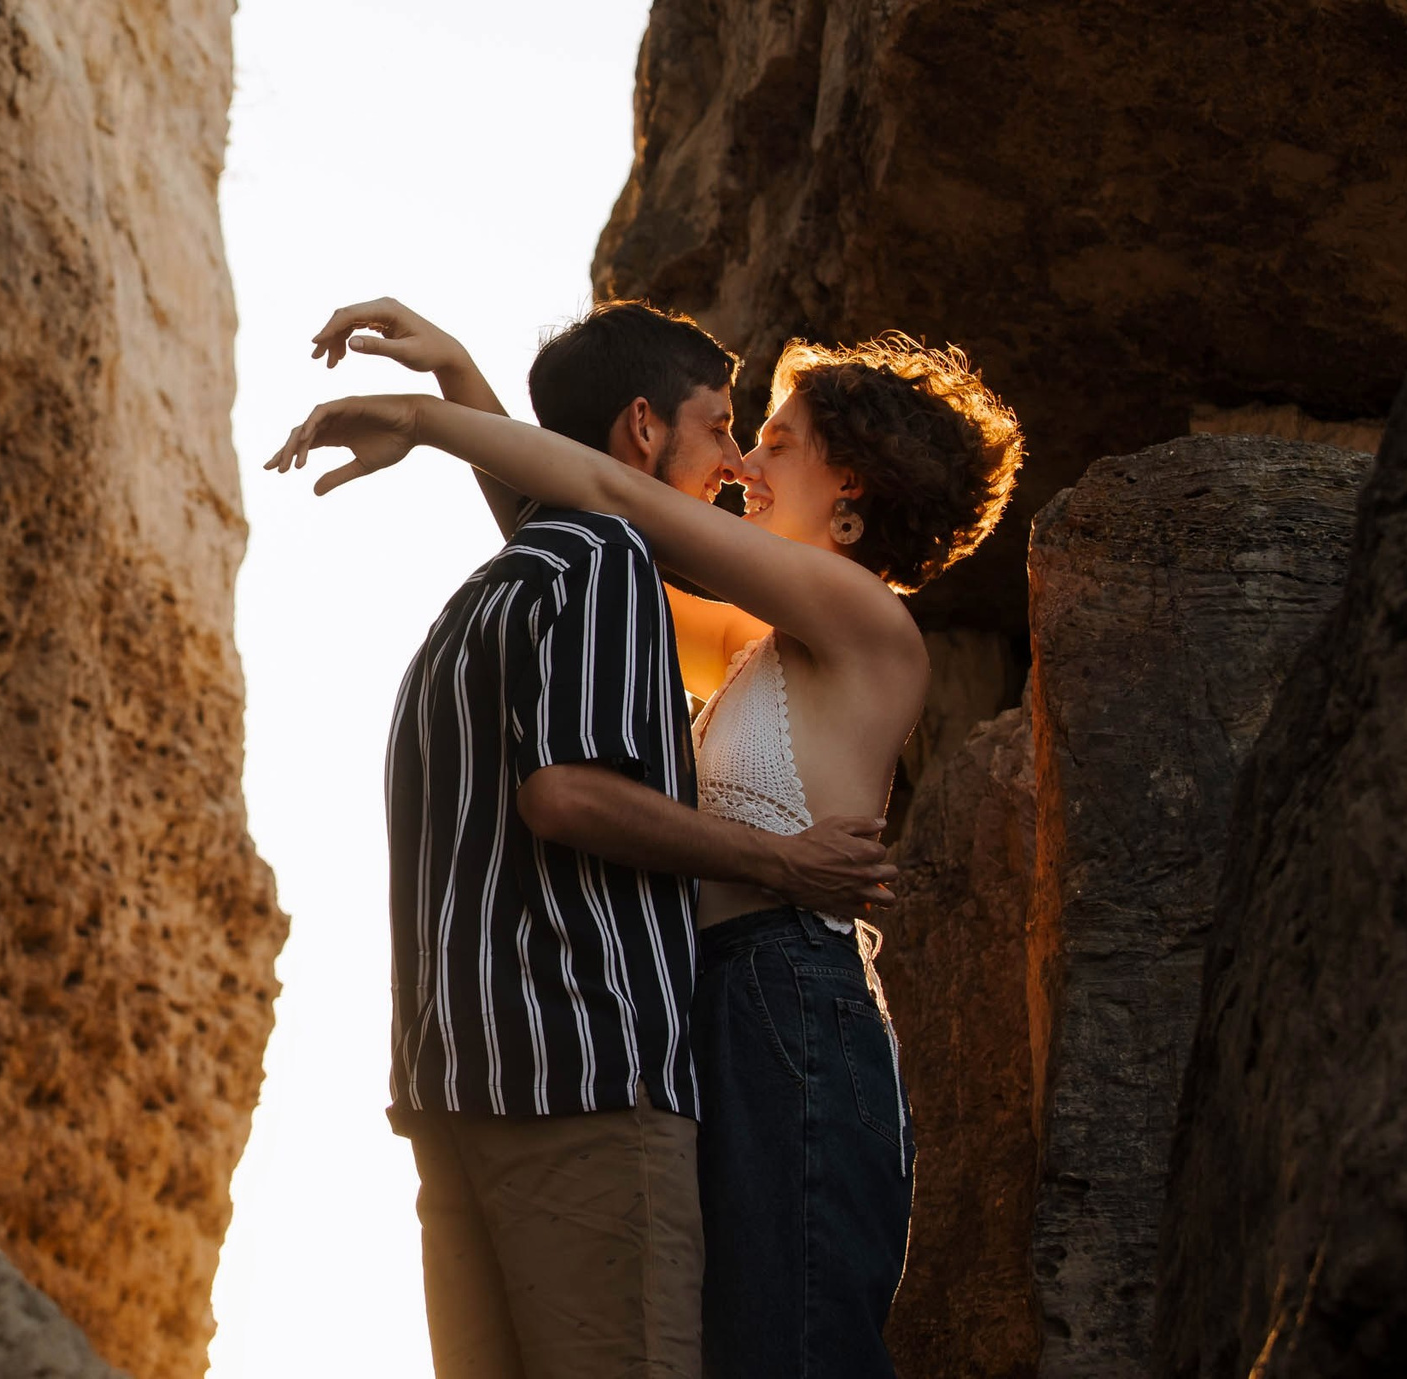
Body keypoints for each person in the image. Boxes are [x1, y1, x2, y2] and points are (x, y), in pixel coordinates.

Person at [272, 304, 1024, 1379]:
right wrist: (458, 379)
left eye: (777, 441)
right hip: (713, 1004)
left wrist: (422, 420)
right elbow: (579, 536)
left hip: (789, 1004)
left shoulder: (863, 624)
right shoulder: (763, 640)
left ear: (849, 494)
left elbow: (620, 494)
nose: (743, 461)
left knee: (797, 1350)